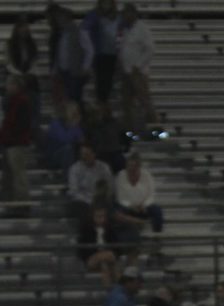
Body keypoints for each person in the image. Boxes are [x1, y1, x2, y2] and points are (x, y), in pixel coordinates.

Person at [117, 3, 158, 135]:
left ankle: (155, 127)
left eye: (127, 13)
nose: (125, 16)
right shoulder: (125, 29)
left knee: (144, 99)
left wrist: (138, 65)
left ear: (134, 14)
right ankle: (130, 130)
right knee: (127, 102)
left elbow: (150, 49)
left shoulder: (142, 29)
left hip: (137, 73)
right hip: (126, 71)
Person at [0, 75, 34, 212]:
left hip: (17, 144)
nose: (6, 87)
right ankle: (9, 204)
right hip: (8, 143)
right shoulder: (12, 101)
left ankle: (22, 204)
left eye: (9, 84)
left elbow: (22, 124)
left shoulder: (22, 101)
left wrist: (10, 135)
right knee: (8, 175)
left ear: (16, 85)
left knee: (18, 175)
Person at [114, 152, 163, 234]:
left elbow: (151, 194)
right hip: (127, 207)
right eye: (129, 166)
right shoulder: (121, 175)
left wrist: (144, 205)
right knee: (118, 211)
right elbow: (120, 197)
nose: (131, 169)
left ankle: (157, 235)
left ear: (139, 167)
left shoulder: (146, 175)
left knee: (157, 211)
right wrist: (130, 206)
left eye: (134, 167)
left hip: (143, 207)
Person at [53, 7, 93, 107]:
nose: (58, 21)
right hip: (64, 72)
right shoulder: (62, 34)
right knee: (68, 100)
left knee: (75, 99)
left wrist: (85, 67)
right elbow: (60, 52)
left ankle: (80, 120)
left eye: (60, 18)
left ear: (67, 18)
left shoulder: (79, 32)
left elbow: (89, 50)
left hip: (75, 72)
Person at [82, 0, 119, 103]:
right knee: (101, 83)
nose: (106, 5)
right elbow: (84, 30)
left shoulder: (116, 16)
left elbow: (121, 33)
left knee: (108, 84)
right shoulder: (94, 15)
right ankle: (102, 108)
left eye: (109, 2)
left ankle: (104, 108)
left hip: (112, 55)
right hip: (99, 55)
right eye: (104, 2)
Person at [67, 141, 114, 221]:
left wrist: (100, 199)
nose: (84, 157)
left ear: (94, 154)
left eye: (87, 154)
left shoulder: (104, 167)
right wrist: (90, 201)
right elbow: (74, 191)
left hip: (101, 200)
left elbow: (110, 186)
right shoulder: (75, 169)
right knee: (78, 207)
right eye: (82, 154)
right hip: (83, 202)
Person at [44, 102, 85, 171]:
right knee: (68, 148)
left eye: (77, 112)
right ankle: (69, 177)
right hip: (53, 156)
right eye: (74, 112)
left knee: (80, 150)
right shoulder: (56, 123)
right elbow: (64, 140)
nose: (76, 114)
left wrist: (76, 126)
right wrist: (74, 126)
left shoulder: (75, 125)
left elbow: (82, 140)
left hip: (68, 156)